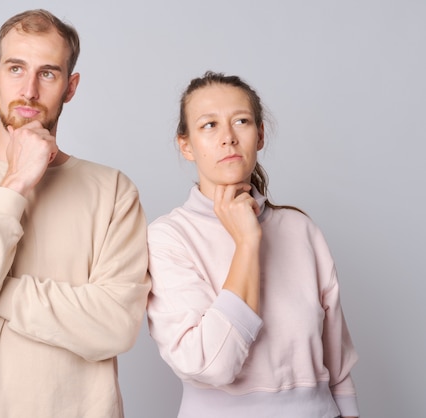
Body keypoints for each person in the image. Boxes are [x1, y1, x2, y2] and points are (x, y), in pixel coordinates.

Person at [0, 9, 150, 418]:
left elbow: (116, 326)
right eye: (16, 69)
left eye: (48, 74)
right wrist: (16, 181)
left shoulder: (114, 190)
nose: (29, 90)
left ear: (70, 87)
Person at [146, 71, 359, 418]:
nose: (228, 138)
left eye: (241, 121)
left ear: (259, 135)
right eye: (209, 125)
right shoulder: (169, 237)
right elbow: (211, 365)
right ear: (186, 145)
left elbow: (337, 366)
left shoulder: (300, 229)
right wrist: (247, 242)